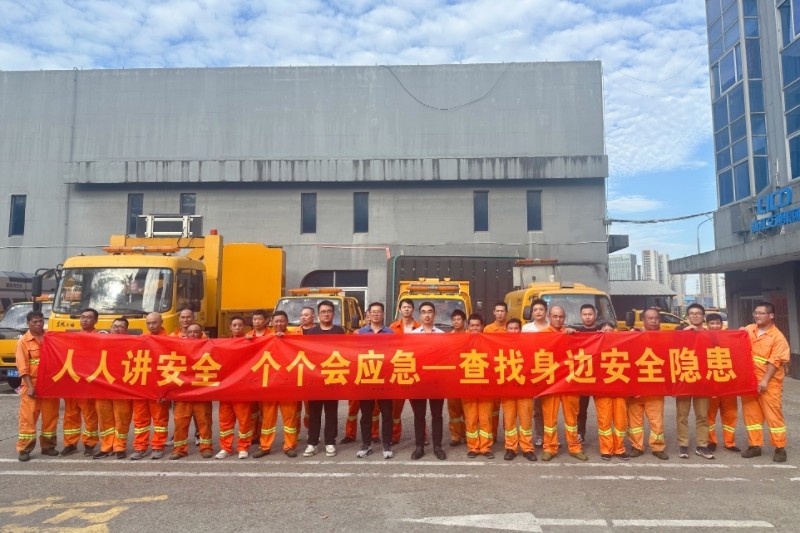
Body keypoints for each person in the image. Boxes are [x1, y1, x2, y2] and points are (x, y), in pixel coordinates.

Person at [741, 302, 789, 463]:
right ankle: (755, 446)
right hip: (749, 381)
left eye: (761, 313)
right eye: (755, 312)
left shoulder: (777, 337)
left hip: (769, 383)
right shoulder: (749, 329)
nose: (757, 315)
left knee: (773, 416)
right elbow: (734, 340)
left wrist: (765, 380)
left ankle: (780, 448)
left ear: (771, 316)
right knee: (751, 415)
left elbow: (775, 361)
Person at [539, 305, 587, 461]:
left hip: (568, 383)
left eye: (561, 317)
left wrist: (574, 335)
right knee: (549, 418)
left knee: (571, 418)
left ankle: (574, 447)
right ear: (549, 317)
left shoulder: (570, 333)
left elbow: (582, 350)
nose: (558, 319)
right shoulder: (542, 335)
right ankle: (549, 447)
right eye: (555, 316)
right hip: (550, 382)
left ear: (564, 318)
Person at [303, 300, 346, 458]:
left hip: (333, 376)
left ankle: (330, 442)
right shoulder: (312, 332)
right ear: (318, 315)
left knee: (331, 412)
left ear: (333, 314)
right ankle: (312, 443)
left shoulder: (339, 331)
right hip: (315, 379)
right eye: (323, 311)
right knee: (314, 413)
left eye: (329, 311)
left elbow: (345, 351)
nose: (326, 314)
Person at [254, 311, 300, 458]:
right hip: (270, 384)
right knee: (267, 418)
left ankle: (290, 446)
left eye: (282, 321)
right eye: (276, 321)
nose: (279, 324)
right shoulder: (265, 338)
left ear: (287, 322)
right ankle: (265, 446)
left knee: (290, 418)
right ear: (271, 323)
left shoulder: (295, 336)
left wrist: (286, 339)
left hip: (288, 384)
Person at [15, 310, 60, 461]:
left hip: (49, 385)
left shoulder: (50, 338)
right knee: (28, 418)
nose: (39, 324)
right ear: (28, 323)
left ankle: (48, 447)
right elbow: (22, 366)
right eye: (35, 322)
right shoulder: (23, 341)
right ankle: (24, 449)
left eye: (41, 321)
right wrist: (29, 386)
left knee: (50, 417)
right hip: (31, 384)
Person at [354, 302, 396, 459]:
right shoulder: (361, 333)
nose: (376, 314)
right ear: (369, 315)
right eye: (373, 312)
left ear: (383, 314)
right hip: (366, 377)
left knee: (387, 414)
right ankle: (366, 445)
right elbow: (354, 353)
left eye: (379, 311)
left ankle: (386, 445)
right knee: (366, 414)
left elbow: (395, 353)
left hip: (385, 378)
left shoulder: (390, 333)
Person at [627, 308, 669, 460]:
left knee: (656, 420)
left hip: (655, 387)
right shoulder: (633, 336)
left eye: (656, 318)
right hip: (635, 387)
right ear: (643, 320)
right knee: (634, 420)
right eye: (649, 318)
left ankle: (657, 447)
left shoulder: (666, 338)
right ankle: (636, 446)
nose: (653, 321)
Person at [130, 312, 171, 460]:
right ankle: (140, 447)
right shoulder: (142, 339)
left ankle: (158, 446)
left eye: (154, 322)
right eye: (148, 323)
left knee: (160, 420)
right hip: (141, 387)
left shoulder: (170, 341)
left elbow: (172, 368)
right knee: (140, 420)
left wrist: (166, 391)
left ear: (161, 322)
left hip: (159, 388)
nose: (151, 326)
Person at [676, 303, 714, 460]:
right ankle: (683, 445)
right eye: (692, 313)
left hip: (702, 381)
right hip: (684, 379)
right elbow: (670, 348)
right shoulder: (680, 331)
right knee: (682, 415)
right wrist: (684, 334)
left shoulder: (710, 334)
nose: (695, 316)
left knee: (702, 415)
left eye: (698, 313)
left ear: (703, 316)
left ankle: (702, 446)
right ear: (687, 316)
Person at [170, 324, 214, 460]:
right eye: (190, 332)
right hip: (183, 394)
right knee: (180, 423)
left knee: (204, 422)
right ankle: (179, 450)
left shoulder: (209, 348)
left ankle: (206, 448)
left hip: (202, 393)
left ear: (201, 334)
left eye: (196, 332)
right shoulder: (178, 348)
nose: (193, 334)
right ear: (186, 334)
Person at [409, 302, 447, 460]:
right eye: (424, 312)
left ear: (434, 315)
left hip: (436, 380)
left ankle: (437, 446)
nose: (427, 315)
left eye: (430, 312)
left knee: (437, 415)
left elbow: (445, 357)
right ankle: (419, 447)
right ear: (420, 315)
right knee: (419, 415)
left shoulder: (442, 335)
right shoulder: (412, 335)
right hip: (418, 380)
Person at [61, 308, 100, 457]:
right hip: (72, 382)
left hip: (88, 383)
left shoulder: (100, 339)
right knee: (70, 415)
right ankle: (70, 443)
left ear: (95, 321)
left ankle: (89, 443)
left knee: (90, 415)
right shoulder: (72, 338)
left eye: (89, 317)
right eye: (82, 317)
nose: (84, 320)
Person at [215, 315, 254, 459]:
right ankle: (226, 447)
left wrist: (251, 341)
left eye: (240, 325)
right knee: (225, 421)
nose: (237, 327)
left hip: (242, 389)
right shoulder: (223, 344)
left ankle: (243, 447)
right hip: (226, 389)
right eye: (234, 325)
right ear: (230, 327)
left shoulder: (250, 342)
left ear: (244, 327)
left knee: (244, 421)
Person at [94, 318, 133, 459]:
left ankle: (119, 446)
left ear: (126, 330)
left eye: (121, 327)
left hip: (122, 388)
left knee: (122, 418)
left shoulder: (132, 344)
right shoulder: (101, 342)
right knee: (104, 419)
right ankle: (106, 446)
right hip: (103, 387)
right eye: (114, 326)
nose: (117, 329)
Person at [460, 313, 495, 459]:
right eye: (472, 325)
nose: (475, 328)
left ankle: (486, 447)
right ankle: (473, 447)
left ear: (482, 326)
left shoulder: (489, 341)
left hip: (485, 386)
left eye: (477, 325)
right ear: (468, 326)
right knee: (471, 418)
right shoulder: (461, 341)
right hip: (468, 386)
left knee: (485, 418)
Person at [501, 318, 536, 462]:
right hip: (507, 389)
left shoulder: (527, 345)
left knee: (526, 420)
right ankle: (510, 448)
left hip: (525, 389)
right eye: (511, 328)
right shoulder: (499, 346)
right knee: (509, 421)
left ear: (520, 330)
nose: (514, 331)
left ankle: (527, 448)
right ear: (506, 330)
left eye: (516, 328)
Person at [592, 320, 628, 461]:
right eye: (604, 330)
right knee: (604, 420)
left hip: (619, 388)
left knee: (620, 420)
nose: (607, 332)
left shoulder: (622, 343)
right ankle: (606, 449)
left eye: (610, 330)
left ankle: (619, 449)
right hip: (602, 390)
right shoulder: (594, 344)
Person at [705, 312, 740, 453]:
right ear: (707, 325)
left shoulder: (729, 337)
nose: (715, 326)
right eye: (712, 323)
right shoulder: (702, 338)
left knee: (730, 414)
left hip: (728, 383)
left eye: (717, 323)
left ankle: (729, 442)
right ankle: (711, 441)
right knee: (710, 414)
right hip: (711, 383)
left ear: (721, 324)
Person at [388, 299, 420, 445]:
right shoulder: (393, 327)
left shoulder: (419, 327)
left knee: (418, 408)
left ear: (413, 309)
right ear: (400, 309)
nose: (406, 309)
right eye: (404, 307)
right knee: (396, 408)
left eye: (409, 307)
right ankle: (395, 436)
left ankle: (422, 435)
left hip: (414, 370)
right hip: (398, 369)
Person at [522, 298, 548, 447]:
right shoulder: (526, 329)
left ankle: (550, 436)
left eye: (541, 309)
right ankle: (539, 435)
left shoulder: (552, 327)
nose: (538, 312)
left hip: (549, 370)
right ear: (532, 313)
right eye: (535, 310)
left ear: (546, 311)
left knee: (550, 408)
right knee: (537, 407)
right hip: (533, 371)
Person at [482, 302, 507, 445]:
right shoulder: (487, 329)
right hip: (493, 371)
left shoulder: (511, 328)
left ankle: (508, 437)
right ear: (493, 312)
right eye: (497, 311)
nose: (500, 313)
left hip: (508, 370)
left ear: (506, 312)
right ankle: (492, 434)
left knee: (508, 408)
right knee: (493, 408)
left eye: (502, 311)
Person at [575, 304, 600, 444]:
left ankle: (606, 436)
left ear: (595, 315)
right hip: (583, 376)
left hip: (599, 376)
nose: (587, 317)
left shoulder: (602, 330)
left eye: (590, 314)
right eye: (584, 314)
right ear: (581, 316)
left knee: (603, 409)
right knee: (581, 408)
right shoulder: (576, 332)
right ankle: (580, 433)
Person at [446, 309, 467, 447]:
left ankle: (467, 434)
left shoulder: (470, 335)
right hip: (452, 378)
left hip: (467, 376)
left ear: (464, 321)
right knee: (453, 409)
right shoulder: (448, 337)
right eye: (454, 319)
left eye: (459, 319)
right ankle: (455, 435)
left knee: (467, 408)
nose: (456, 322)